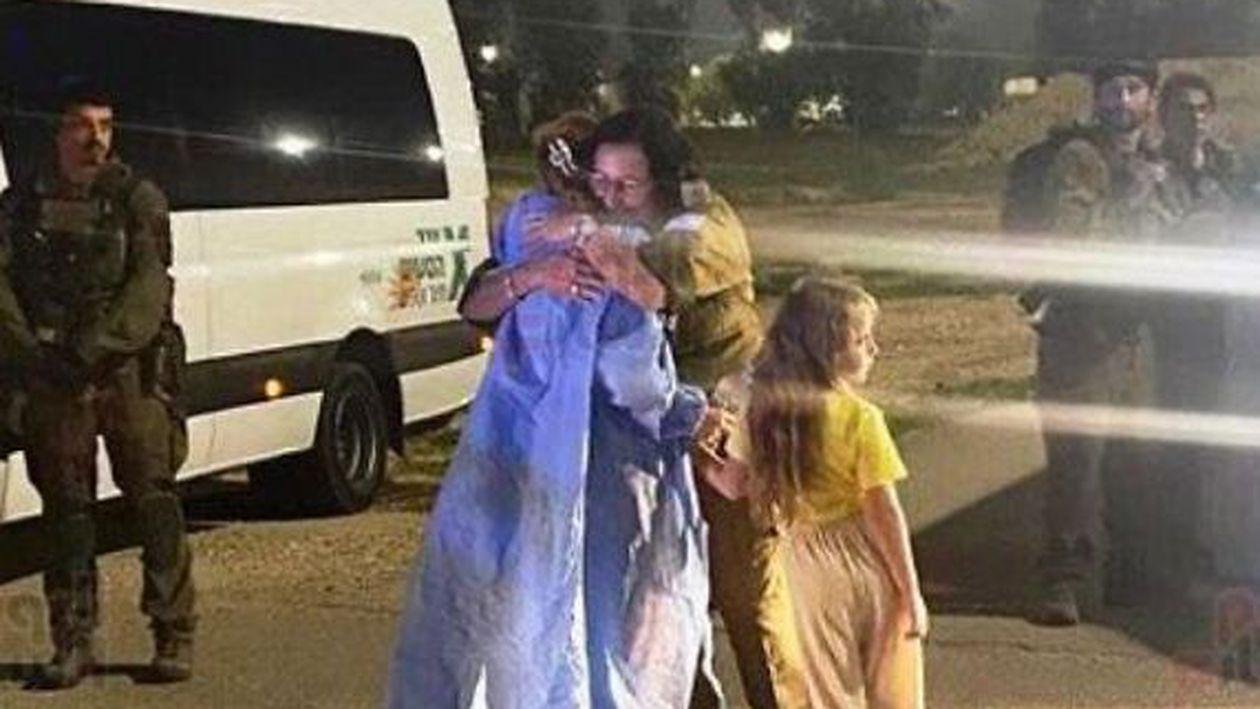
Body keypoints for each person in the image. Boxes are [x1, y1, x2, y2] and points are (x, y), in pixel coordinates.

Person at [388, 112, 717, 708]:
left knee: (502, 611)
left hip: (515, 453)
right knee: (601, 621)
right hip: (595, 467)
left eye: (627, 184)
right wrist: (688, 414)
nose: (611, 194)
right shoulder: (593, 250)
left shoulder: (541, 228)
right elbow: (633, 382)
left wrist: (542, 271)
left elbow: (478, 302)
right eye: (605, 180)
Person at [0, 81, 193, 687]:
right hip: (53, 377)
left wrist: (92, 350)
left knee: (153, 501)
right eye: (83, 126)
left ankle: (173, 631)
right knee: (66, 512)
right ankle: (73, 640)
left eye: (106, 126)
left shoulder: (136, 199)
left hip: (124, 373)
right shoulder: (20, 205)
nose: (96, 139)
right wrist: (31, 352)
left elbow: (148, 290)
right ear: (57, 133)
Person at [708, 278, 926, 708]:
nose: (874, 349)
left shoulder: (762, 415)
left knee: (827, 687)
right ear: (826, 349)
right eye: (862, 340)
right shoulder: (861, 418)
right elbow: (883, 510)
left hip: (802, 567)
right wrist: (909, 589)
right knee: (891, 685)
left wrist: (701, 457)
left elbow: (732, 484)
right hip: (863, 553)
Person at [1019, 60, 1176, 625]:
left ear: (1151, 99)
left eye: (1134, 89)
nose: (1122, 100)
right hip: (1081, 332)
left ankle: (1129, 573)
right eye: (1112, 90)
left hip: (1137, 332)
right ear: (1097, 99)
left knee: (1136, 460)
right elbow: (1070, 240)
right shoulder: (1080, 159)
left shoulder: (1158, 162)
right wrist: (1133, 195)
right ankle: (1062, 580)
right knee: (1075, 462)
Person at [1146, 72, 1238, 592]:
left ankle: (1220, 538)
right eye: (1183, 109)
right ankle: (1176, 546)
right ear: (1164, 116)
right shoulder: (1150, 172)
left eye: (1203, 109)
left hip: (1227, 317)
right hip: (1172, 321)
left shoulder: (1230, 167)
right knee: (1177, 438)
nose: (1195, 119)